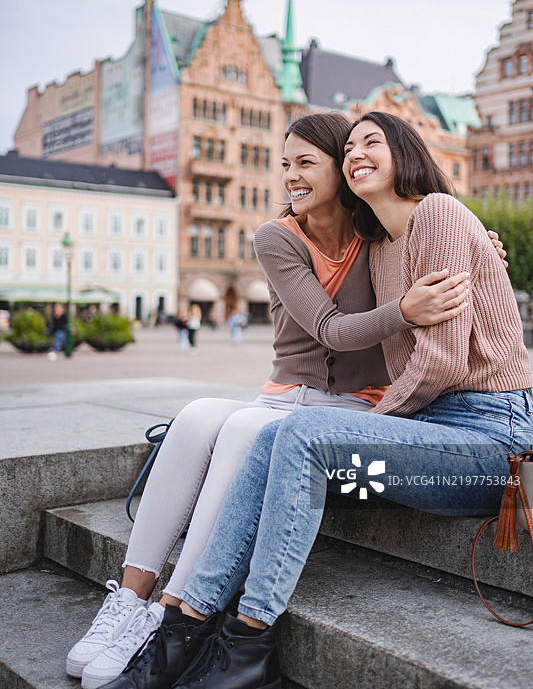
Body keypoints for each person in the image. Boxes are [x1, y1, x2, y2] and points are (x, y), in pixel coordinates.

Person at [103, 111, 532, 689]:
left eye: (371, 142)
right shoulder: (380, 242)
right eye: (349, 146)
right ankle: (184, 628)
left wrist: (368, 422)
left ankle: (246, 645)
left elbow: (444, 361)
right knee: (276, 433)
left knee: (307, 434)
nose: (357, 154)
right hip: (434, 438)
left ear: (405, 152)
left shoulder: (438, 213)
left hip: (492, 446)